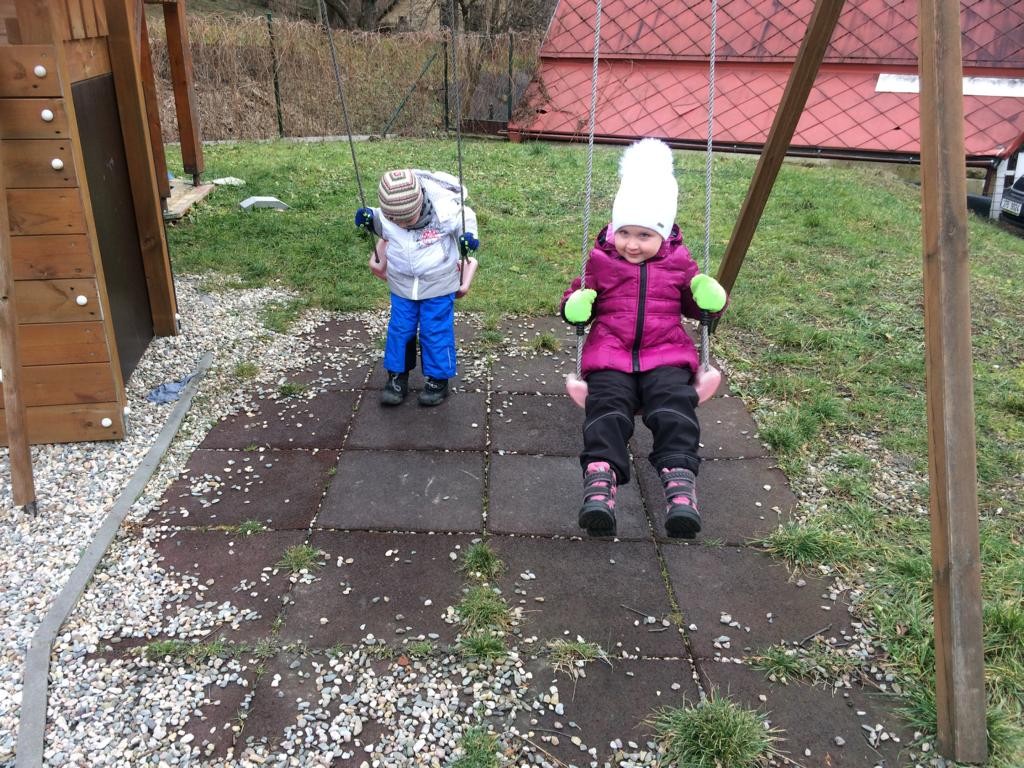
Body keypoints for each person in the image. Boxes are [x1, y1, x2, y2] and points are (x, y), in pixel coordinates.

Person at [560, 138, 727, 538]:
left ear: (664, 234)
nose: (631, 244)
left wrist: (709, 300)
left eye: (644, 235)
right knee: (607, 410)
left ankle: (680, 483)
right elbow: (577, 299)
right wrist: (574, 305)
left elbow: (698, 310)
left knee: (674, 408)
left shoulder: (680, 263)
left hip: (666, 354)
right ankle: (600, 483)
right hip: (609, 355)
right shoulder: (600, 261)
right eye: (624, 232)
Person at [356, 168, 479, 406]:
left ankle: (438, 380)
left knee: (435, 331)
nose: (401, 224)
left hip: (438, 282)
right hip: (402, 283)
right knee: (400, 330)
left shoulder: (444, 211)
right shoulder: (390, 215)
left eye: (407, 220)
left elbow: (466, 218)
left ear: (420, 204)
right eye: (395, 221)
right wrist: (369, 218)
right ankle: (397, 377)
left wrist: (468, 237)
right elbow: (380, 222)